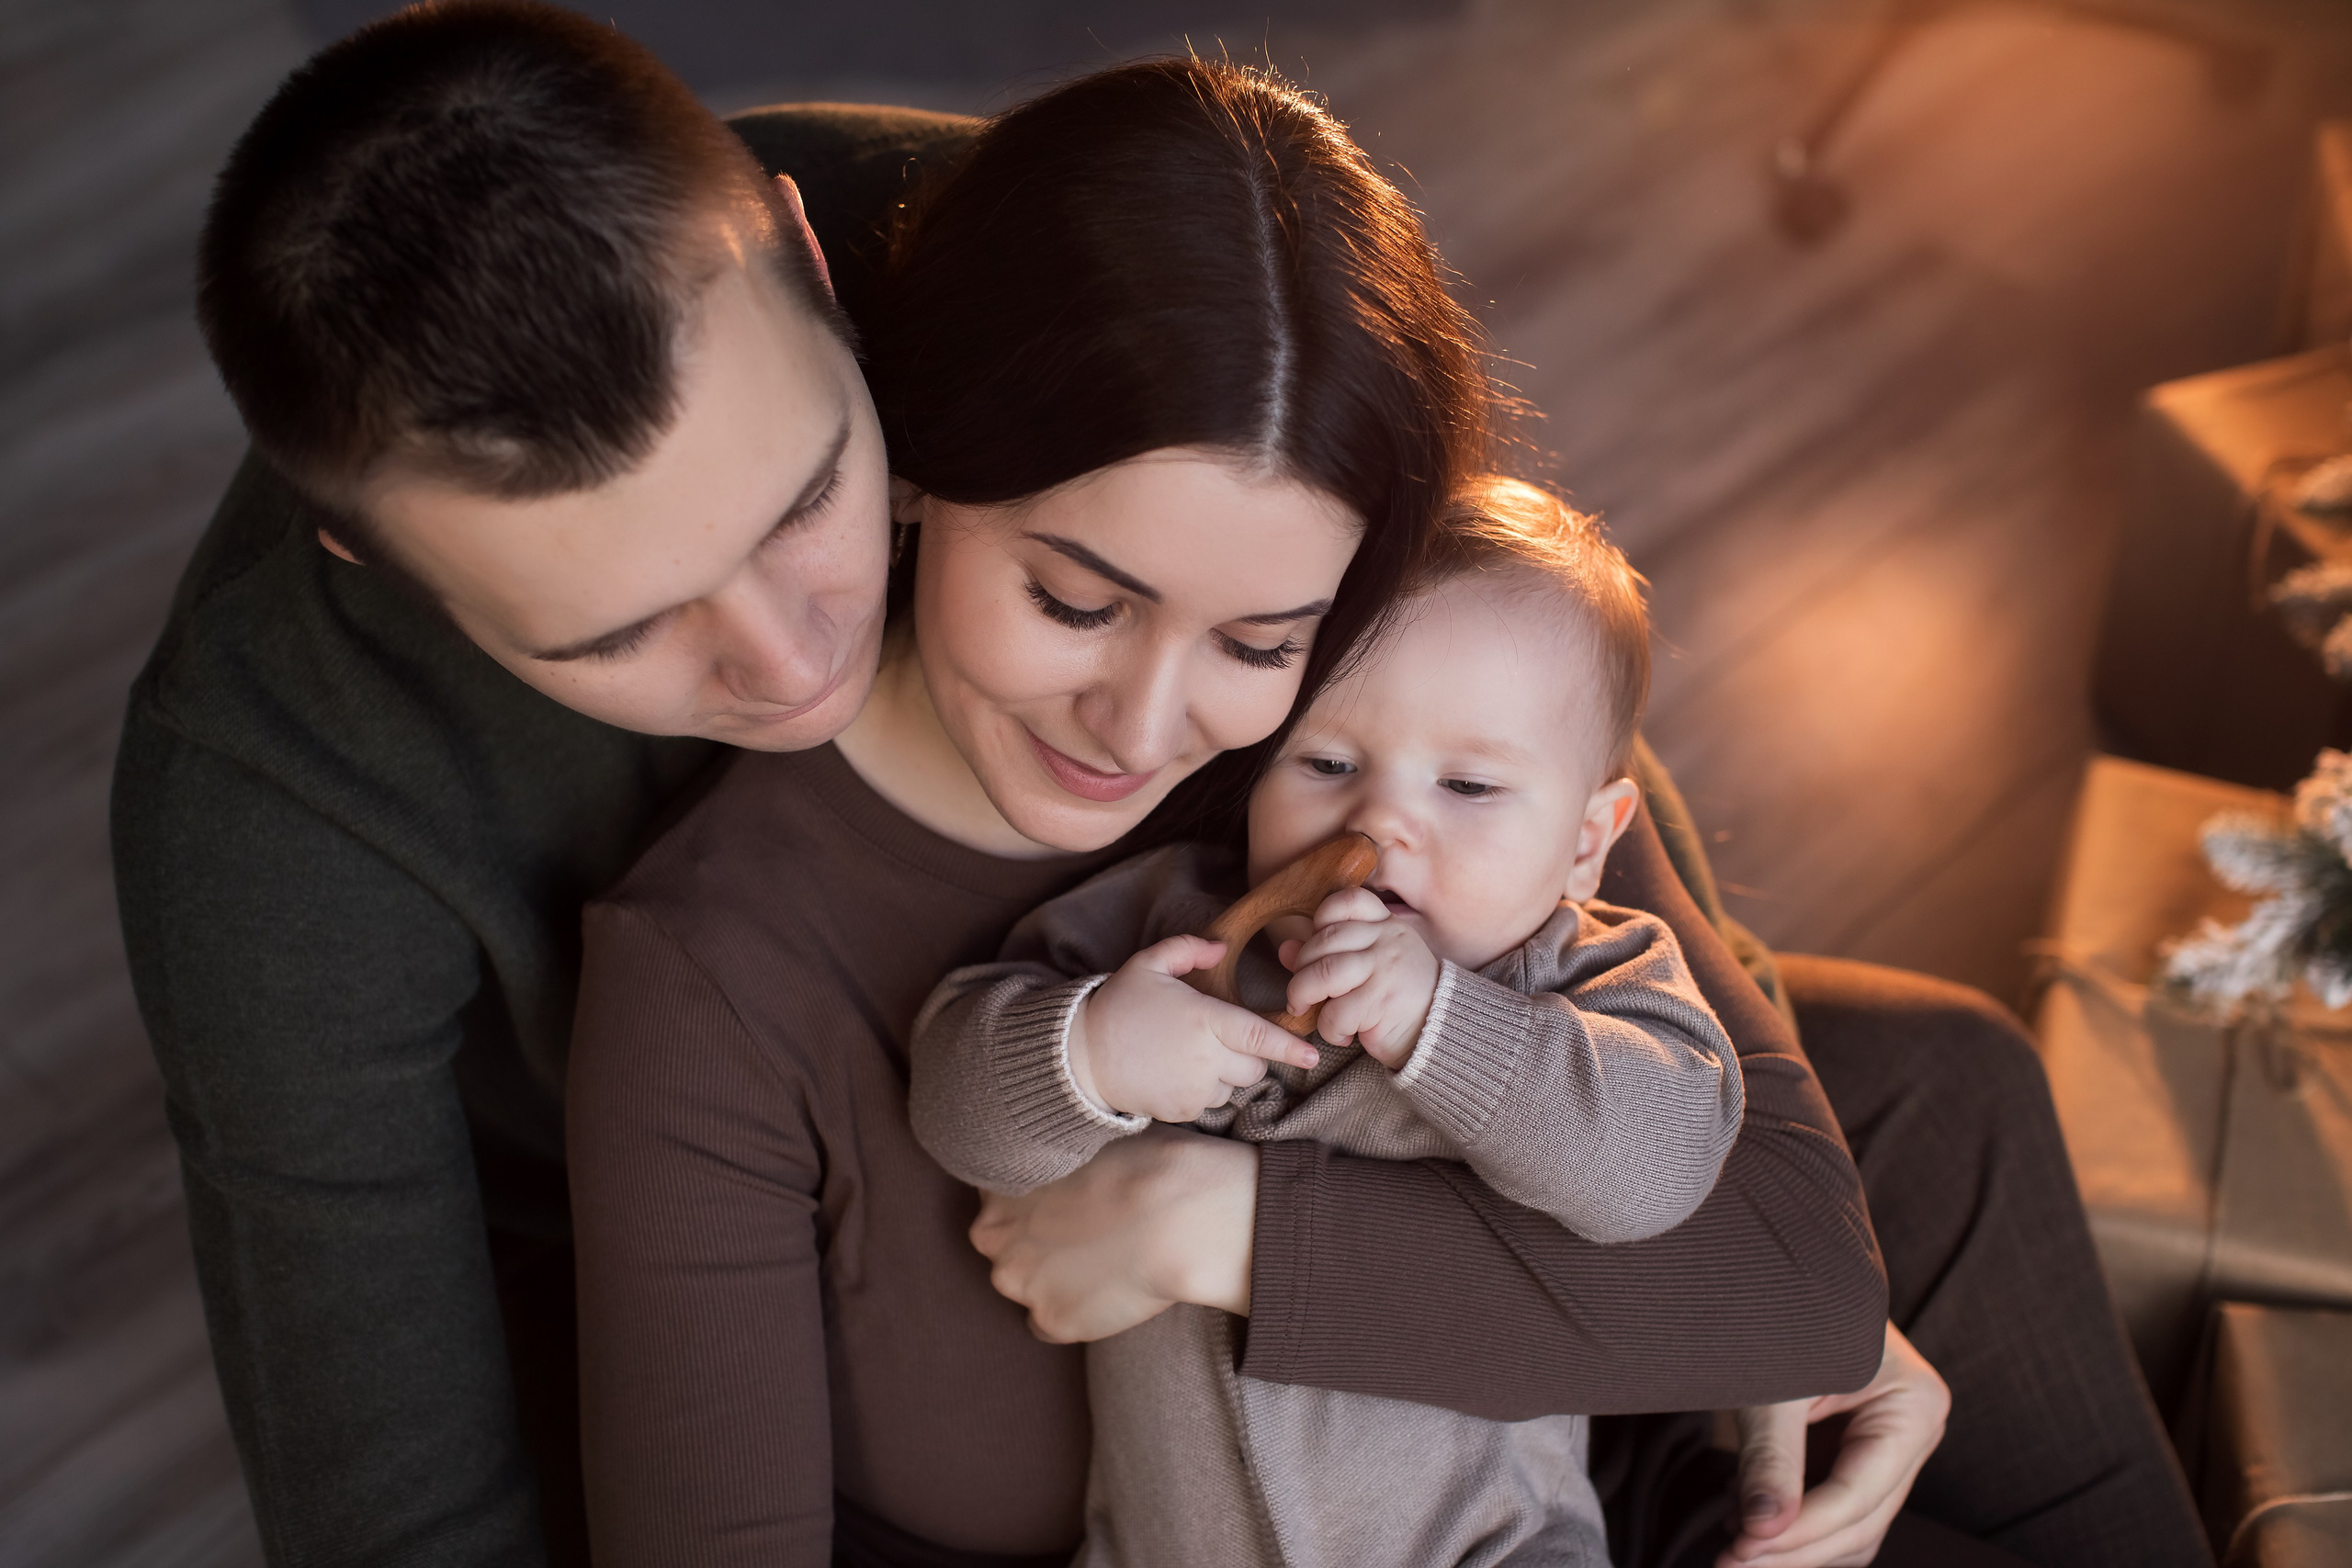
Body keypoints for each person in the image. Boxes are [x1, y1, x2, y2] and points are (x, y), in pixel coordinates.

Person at [112, 4, 2208, 1565]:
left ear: (834, 297)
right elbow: (403, 1482)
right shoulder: (285, 814)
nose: (786, 652)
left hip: (1429, 1277)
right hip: (875, 1316)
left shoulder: (1053, 281)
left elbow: (1577, 841)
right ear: (377, 569)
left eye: (812, 500)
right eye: (616, 630)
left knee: (1925, 1090)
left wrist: (1756, 1271)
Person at [909, 477, 1745, 1567]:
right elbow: (954, 1101)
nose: (1380, 822)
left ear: (1587, 840)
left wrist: (1441, 1024)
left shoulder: (1582, 974)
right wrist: (1093, 1052)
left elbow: (1656, 1167)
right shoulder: (1173, 929)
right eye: (1328, 763)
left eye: (1470, 787)